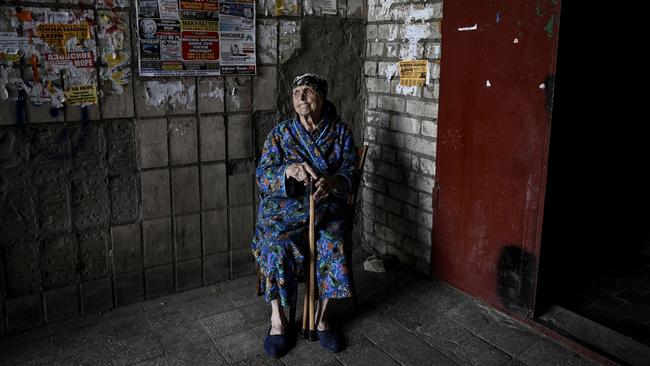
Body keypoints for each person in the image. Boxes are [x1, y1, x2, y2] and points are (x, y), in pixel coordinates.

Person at [252, 73, 358, 358]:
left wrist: (331, 182)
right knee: (277, 244)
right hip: (287, 210)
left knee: (333, 240)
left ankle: (322, 318)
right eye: (296, 92)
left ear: (322, 98)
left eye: (308, 91)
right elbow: (262, 176)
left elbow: (350, 172)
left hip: (325, 208)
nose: (300, 97)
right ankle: (278, 320)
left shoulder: (341, 133)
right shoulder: (280, 134)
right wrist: (288, 171)